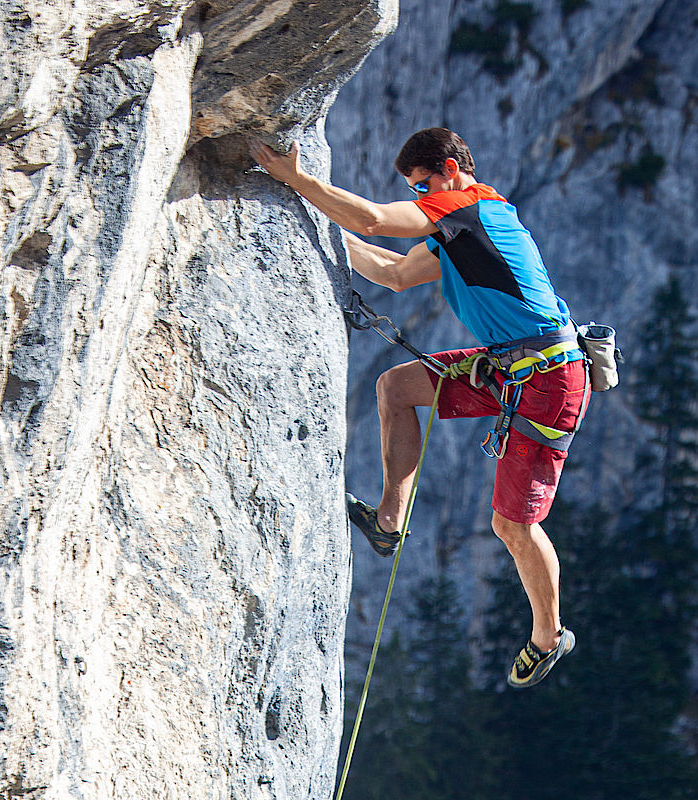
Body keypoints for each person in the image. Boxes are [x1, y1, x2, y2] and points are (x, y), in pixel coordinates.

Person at [250, 128, 589, 688]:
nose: (418, 197)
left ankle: (548, 636)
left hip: (551, 378)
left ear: (453, 169)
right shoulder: (457, 232)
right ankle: (389, 522)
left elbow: (375, 222)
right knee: (396, 387)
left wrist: (298, 179)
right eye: (414, 189)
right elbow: (394, 272)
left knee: (511, 524)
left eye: (423, 185)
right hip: (510, 366)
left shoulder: (470, 207)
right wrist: (315, 222)